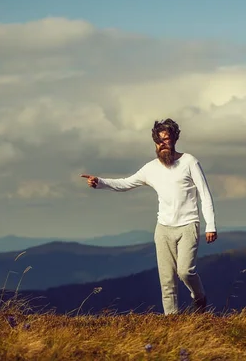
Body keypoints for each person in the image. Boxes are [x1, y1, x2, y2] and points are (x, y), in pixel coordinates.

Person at [80, 118, 217, 314]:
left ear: (174, 139)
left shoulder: (189, 162)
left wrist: (210, 225)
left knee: (185, 271)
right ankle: (172, 322)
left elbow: (205, 194)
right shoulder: (151, 168)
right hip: (163, 229)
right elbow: (126, 183)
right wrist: (100, 182)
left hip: (188, 225)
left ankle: (199, 298)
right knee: (167, 279)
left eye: (166, 139)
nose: (162, 144)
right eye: (158, 141)